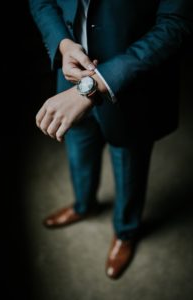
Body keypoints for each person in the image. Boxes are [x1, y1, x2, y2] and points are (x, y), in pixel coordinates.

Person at [29, 0, 193, 279]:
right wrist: (63, 44)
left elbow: (175, 23)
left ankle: (125, 232)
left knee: (129, 163)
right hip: (66, 78)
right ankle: (84, 205)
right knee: (78, 151)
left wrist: (92, 86)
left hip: (132, 87)